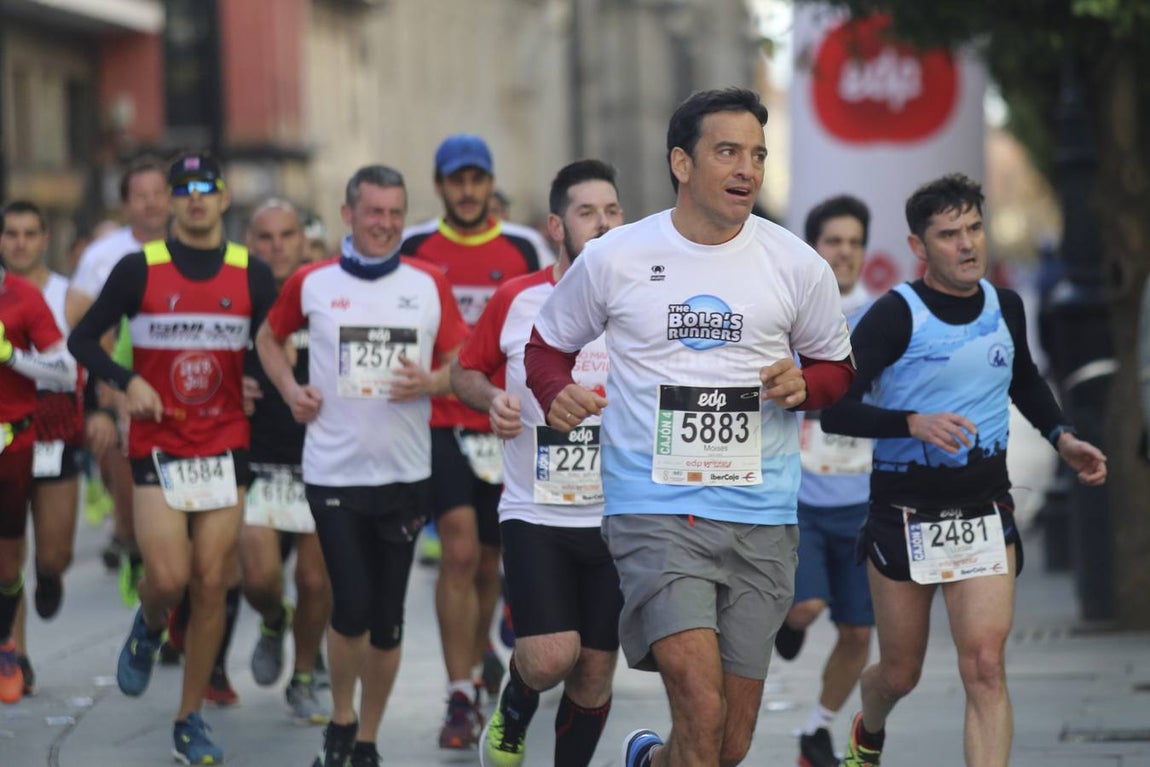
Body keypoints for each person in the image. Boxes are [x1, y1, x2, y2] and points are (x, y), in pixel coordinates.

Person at [524, 87, 856, 767]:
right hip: (655, 509)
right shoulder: (617, 255)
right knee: (701, 708)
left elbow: (836, 368)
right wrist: (555, 391)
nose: (747, 169)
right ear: (682, 161)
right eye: (727, 151)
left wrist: (806, 386)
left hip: (762, 514)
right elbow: (545, 346)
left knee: (725, 743)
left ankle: (649, 761)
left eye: (758, 155)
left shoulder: (795, 263)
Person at [819, 173, 1108, 767]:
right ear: (920, 247)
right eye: (950, 234)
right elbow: (833, 410)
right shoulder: (894, 316)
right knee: (900, 673)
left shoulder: (1007, 306)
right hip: (904, 514)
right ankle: (867, 731)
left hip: (983, 509)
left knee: (984, 666)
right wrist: (911, 423)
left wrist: (1062, 436)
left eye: (975, 227)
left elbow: (1023, 377)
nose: (968, 243)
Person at [68, 153, 277, 764]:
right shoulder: (140, 268)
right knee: (167, 578)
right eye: (182, 189)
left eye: (204, 189)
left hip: (224, 445)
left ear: (223, 198)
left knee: (212, 583)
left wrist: (261, 380)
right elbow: (83, 339)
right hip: (160, 442)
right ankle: (150, 625)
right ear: (173, 201)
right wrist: (123, 381)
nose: (193, 199)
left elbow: (269, 347)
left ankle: (189, 719)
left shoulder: (251, 272)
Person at [257, 165, 468, 767]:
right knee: (349, 604)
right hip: (333, 473)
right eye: (374, 212)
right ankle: (341, 721)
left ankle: (368, 738)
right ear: (348, 215)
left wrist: (431, 380)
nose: (386, 224)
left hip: (404, 474)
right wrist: (290, 390)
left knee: (388, 620)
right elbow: (269, 340)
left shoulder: (428, 283)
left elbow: (462, 362)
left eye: (396, 212)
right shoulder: (312, 281)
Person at [452, 159, 625, 767]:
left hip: (617, 516)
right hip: (535, 511)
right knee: (552, 657)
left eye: (612, 211)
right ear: (557, 225)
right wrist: (494, 398)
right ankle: (515, 704)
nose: (603, 224)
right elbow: (464, 370)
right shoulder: (516, 298)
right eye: (587, 213)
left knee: (596, 674)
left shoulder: (641, 302)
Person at [400, 133, 554, 749]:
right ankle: (459, 691)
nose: (467, 190)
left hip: (505, 421)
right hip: (439, 418)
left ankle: (484, 645)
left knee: (491, 560)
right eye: (455, 180)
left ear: (491, 185)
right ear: (440, 186)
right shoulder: (414, 245)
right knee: (458, 552)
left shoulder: (524, 246)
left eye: (476, 179)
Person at [772, 195, 876, 767]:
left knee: (859, 633)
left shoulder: (883, 318)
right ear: (813, 249)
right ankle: (791, 620)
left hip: (864, 502)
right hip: (802, 497)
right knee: (808, 605)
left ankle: (818, 730)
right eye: (834, 241)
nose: (846, 252)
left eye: (855, 242)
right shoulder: (790, 316)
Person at [241, 198, 332, 724]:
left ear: (304, 240)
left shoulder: (326, 293)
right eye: (265, 237)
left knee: (318, 583)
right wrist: (235, 384)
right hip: (260, 461)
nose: (277, 246)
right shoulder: (239, 297)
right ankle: (275, 620)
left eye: (287, 235)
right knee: (259, 579)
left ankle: (302, 676)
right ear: (250, 245)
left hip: (320, 458)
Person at [66, 156, 170, 585]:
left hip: (187, 393)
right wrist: (111, 387)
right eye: (139, 196)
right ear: (125, 203)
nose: (150, 204)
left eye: (157, 194)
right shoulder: (103, 255)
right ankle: (133, 547)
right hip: (120, 388)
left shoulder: (194, 246)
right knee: (131, 506)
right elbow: (76, 319)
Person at [0, 201, 85, 697]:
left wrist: (99, 410)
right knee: (8, 555)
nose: (19, 243)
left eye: (29, 233)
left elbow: (81, 363)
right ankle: (17, 655)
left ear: (44, 238)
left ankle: (49, 578)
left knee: (51, 554)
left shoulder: (65, 297)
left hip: (53, 429)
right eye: (11, 233)